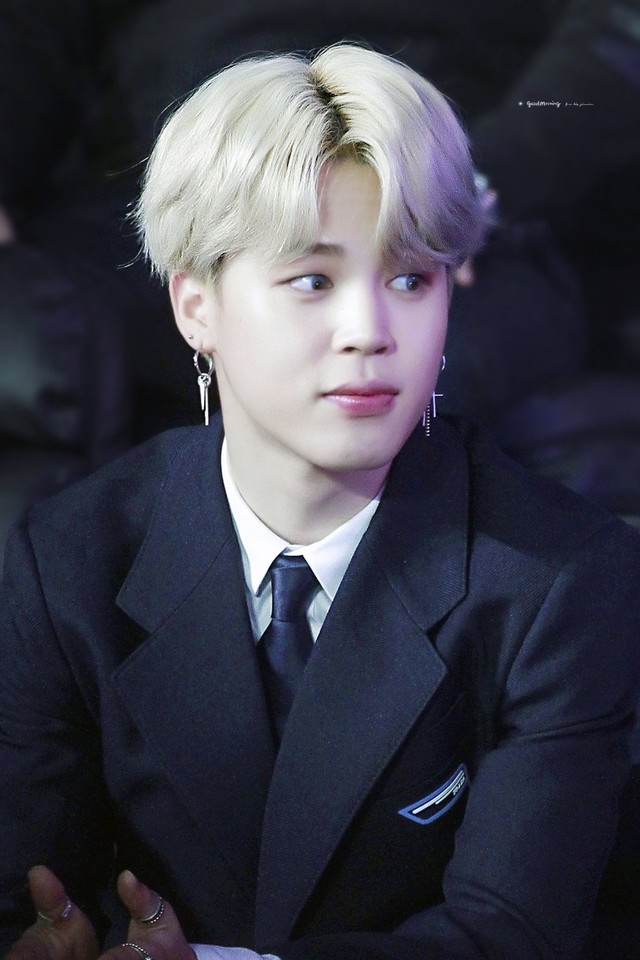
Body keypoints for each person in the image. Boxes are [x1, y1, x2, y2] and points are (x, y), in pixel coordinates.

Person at [1, 43, 639, 960]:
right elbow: (29, 890)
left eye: (410, 278)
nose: (370, 333)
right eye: (313, 280)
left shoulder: (563, 578)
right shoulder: (66, 560)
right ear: (196, 307)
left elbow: (506, 935)